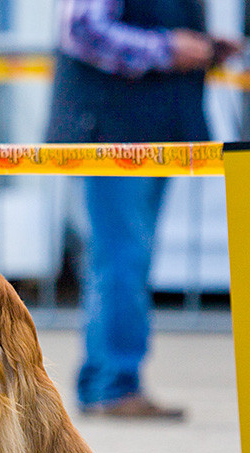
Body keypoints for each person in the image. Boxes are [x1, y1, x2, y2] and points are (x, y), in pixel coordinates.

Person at [46, 0, 241, 420]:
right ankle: (112, 386)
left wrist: (202, 48)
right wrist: (168, 48)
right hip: (115, 131)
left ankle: (107, 383)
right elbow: (82, 29)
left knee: (123, 259)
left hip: (145, 130)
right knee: (122, 259)